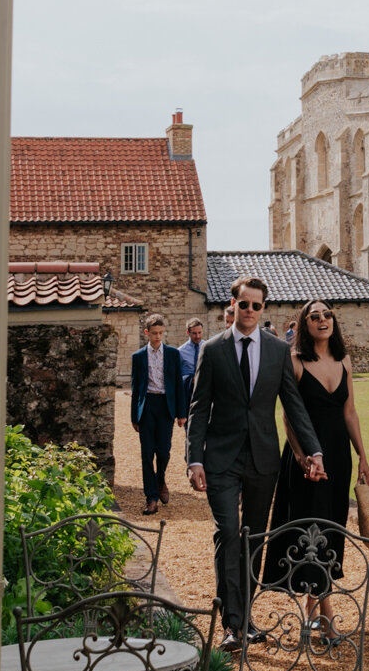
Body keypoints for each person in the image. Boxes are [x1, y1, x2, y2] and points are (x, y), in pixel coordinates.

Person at [186, 276, 325, 646]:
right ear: (232, 307)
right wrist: (193, 460)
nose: (249, 311)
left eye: (256, 305)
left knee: (254, 538)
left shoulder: (279, 350)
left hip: (263, 459)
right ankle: (233, 624)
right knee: (229, 532)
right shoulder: (213, 350)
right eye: (243, 305)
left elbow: (293, 406)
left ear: (264, 308)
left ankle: (244, 619)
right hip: (221, 458)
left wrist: (314, 451)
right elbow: (199, 410)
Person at [263, 301, 369, 628]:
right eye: (315, 317)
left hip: (337, 456)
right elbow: (287, 416)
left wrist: (362, 456)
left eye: (327, 315)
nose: (323, 320)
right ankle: (325, 615)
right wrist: (301, 457)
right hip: (306, 460)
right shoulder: (294, 362)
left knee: (331, 528)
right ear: (304, 324)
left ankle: (314, 608)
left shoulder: (344, 361)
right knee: (309, 529)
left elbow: (349, 412)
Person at [128, 314, 187, 514]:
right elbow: (135, 388)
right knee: (146, 454)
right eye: (154, 333)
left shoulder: (172, 354)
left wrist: (181, 413)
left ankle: (161, 479)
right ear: (147, 333)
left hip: (166, 406)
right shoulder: (138, 357)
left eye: (161, 333)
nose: (157, 337)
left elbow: (178, 385)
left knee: (163, 451)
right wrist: (134, 417)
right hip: (147, 406)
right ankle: (151, 497)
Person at [179, 317, 206, 386]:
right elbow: (177, 376)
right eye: (194, 333)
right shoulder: (180, 352)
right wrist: (189, 380)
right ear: (188, 332)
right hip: (187, 390)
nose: (198, 336)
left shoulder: (208, 348)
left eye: (200, 332)